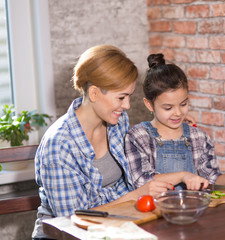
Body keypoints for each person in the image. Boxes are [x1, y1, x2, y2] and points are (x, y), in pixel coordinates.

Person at [32, 45, 173, 239]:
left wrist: (174, 128)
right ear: (95, 93)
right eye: (121, 97)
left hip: (114, 224)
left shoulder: (117, 120)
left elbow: (139, 156)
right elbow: (71, 219)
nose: (127, 106)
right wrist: (135, 196)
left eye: (129, 96)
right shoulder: (59, 145)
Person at [124, 53, 225, 191]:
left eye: (183, 104)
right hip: (155, 210)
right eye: (168, 108)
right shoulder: (138, 136)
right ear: (149, 105)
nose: (178, 113)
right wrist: (182, 176)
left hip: (193, 209)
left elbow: (212, 177)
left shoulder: (199, 137)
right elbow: (141, 182)